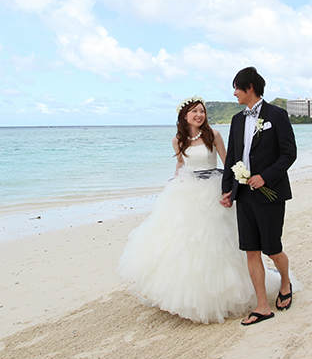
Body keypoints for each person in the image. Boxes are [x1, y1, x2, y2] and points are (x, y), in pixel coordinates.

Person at [118, 96, 280, 324]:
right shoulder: (177, 140)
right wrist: (176, 181)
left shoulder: (212, 135)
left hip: (212, 189)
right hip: (188, 191)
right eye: (194, 111)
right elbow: (181, 164)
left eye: (202, 111)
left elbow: (227, 162)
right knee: (185, 244)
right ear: (185, 116)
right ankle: (185, 295)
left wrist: (231, 190)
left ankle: (227, 295)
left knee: (218, 243)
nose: (199, 115)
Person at [220, 66, 297, 325]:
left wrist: (266, 176)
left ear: (249, 87)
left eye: (237, 88)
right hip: (244, 196)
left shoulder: (277, 115)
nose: (234, 94)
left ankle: (285, 282)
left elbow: (289, 153)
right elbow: (232, 156)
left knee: (272, 249)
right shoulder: (236, 120)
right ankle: (262, 305)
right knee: (251, 251)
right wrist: (227, 189)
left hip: (270, 193)